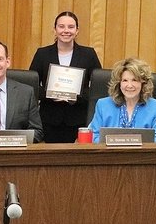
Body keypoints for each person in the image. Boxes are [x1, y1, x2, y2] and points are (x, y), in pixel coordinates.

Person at [28, 11, 103, 143]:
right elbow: (31, 87)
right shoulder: (42, 54)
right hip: (49, 119)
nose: (66, 31)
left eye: (71, 27)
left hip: (79, 119)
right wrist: (50, 94)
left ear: (77, 30)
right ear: (55, 30)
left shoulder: (88, 54)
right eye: (61, 26)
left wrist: (76, 96)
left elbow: (98, 88)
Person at [87, 58, 156, 143]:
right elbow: (93, 136)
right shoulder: (103, 105)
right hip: (109, 151)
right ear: (119, 83)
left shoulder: (155, 107)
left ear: (143, 83)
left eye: (134, 80)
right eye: (125, 80)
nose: (129, 85)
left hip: (143, 152)